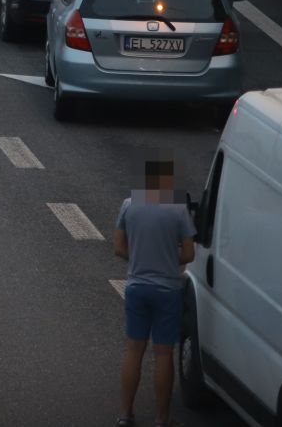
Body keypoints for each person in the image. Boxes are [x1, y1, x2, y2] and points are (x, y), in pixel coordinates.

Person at [114, 157, 196, 427]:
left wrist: (141, 260)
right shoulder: (177, 210)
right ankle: (162, 418)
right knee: (163, 354)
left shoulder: (129, 205)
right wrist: (167, 263)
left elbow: (119, 248)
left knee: (133, 350)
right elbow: (189, 252)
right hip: (168, 290)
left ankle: (126, 414)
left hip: (137, 286)